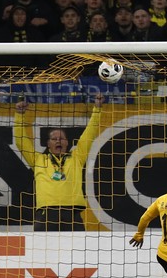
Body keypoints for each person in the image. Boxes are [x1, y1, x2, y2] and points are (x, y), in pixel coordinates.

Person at [14, 94, 103, 231]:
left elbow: (89, 135)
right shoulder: (38, 160)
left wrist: (97, 109)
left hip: (72, 215)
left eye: (61, 138)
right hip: (46, 215)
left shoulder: (77, 157)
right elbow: (21, 141)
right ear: (48, 143)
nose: (58, 141)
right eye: (54, 139)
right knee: (43, 252)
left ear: (67, 142)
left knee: (78, 252)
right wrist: (19, 115)